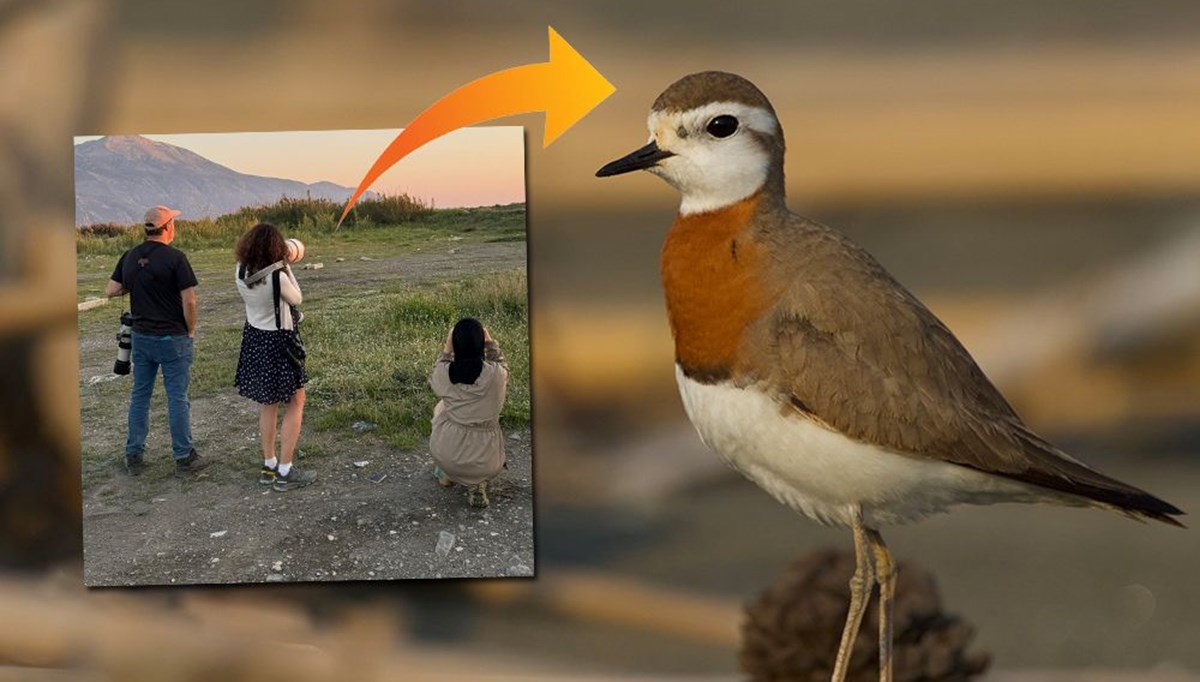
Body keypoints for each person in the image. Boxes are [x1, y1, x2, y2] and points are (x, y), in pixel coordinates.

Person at [105, 205, 206, 476]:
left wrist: (138, 282)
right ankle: (184, 456)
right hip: (172, 337)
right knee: (177, 397)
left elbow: (112, 290)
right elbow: (189, 300)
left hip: (141, 337)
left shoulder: (130, 256)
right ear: (168, 227)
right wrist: (191, 329)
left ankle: (134, 454)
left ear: (146, 229)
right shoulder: (176, 258)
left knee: (140, 396)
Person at [233, 222, 317, 492]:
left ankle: (268, 464)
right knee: (296, 400)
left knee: (268, 403)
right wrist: (286, 266)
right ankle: (285, 470)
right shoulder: (277, 276)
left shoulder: (240, 271)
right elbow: (297, 298)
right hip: (280, 342)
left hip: (256, 338)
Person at [428, 317, 509, 508]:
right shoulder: (496, 376)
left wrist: (448, 348)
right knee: (482, 414)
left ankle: (447, 474)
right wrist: (490, 342)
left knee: (441, 407)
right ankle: (478, 482)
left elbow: (437, 371)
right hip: (488, 462)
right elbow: (501, 364)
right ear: (481, 343)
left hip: (448, 458)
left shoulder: (444, 376)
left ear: (454, 344)